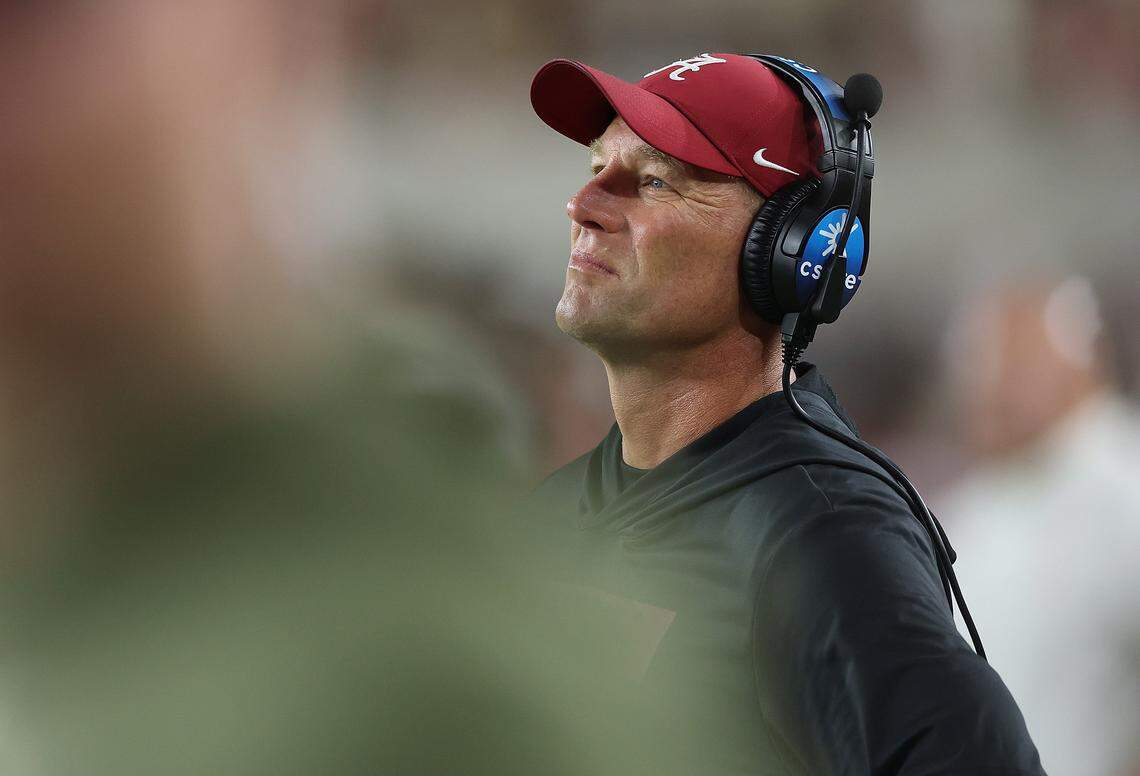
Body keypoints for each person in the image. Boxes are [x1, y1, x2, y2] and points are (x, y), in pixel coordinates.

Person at [527, 52, 1045, 774]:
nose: (585, 206)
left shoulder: (823, 539)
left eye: (653, 180)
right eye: (595, 170)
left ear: (793, 248)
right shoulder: (556, 512)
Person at [940, 274, 1140, 776]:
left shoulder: (1121, 477)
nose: (987, 382)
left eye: (1013, 356)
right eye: (976, 362)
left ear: (1076, 361)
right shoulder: (975, 499)